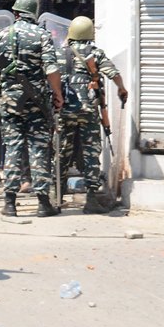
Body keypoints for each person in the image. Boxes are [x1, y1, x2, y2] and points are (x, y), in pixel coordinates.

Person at [0, 0, 64, 217]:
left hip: (10, 103)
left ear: (16, 13)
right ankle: (42, 203)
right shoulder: (42, 36)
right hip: (36, 101)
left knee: (13, 148)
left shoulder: (2, 35)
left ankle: (9, 203)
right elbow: (51, 70)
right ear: (33, 13)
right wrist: (57, 94)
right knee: (39, 148)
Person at [57, 16, 128, 214]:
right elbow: (113, 74)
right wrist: (121, 89)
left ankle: (57, 195)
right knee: (90, 153)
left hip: (64, 109)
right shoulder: (94, 53)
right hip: (88, 111)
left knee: (62, 151)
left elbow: (50, 76)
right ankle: (91, 199)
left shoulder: (60, 53)